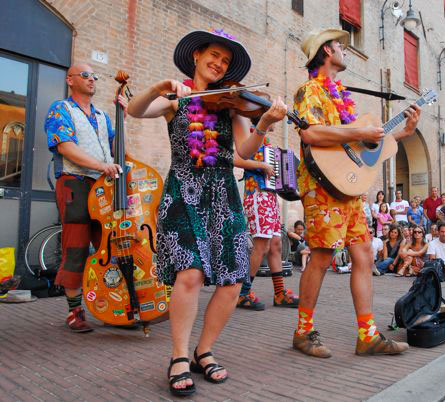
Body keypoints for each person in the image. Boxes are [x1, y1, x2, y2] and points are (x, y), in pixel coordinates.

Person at [126, 29, 288, 395]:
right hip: (184, 191)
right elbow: (135, 110)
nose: (219, 64)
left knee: (232, 282)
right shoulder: (175, 99)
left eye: (226, 61)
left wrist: (264, 124)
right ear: (197, 56)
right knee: (191, 276)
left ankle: (204, 349)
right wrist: (160, 86)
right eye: (214, 55)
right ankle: (179, 355)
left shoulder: (229, 103)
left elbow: (242, 151)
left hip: (223, 195)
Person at [291, 28, 421, 358]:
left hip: (350, 189)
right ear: (324, 52)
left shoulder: (341, 97)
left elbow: (359, 147)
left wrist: (402, 132)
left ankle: (368, 335)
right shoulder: (309, 91)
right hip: (322, 189)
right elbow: (311, 133)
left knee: (364, 256)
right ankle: (303, 332)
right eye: (339, 45)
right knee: (321, 257)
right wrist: (358, 130)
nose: (344, 50)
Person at [45, 63, 125, 333]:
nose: (92, 79)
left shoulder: (103, 115)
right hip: (75, 183)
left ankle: (118, 306)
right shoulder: (61, 109)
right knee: (77, 247)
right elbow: (65, 147)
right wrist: (101, 166)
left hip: (102, 186)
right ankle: (75, 311)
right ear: (70, 80)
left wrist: (123, 116)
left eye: (95, 76)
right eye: (86, 75)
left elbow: (115, 148)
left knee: (110, 247)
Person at [234, 138, 299, 311]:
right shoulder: (249, 133)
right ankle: (243, 294)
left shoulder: (267, 142)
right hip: (256, 194)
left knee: (276, 244)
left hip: (270, 196)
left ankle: (279, 294)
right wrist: (264, 166)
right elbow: (236, 158)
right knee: (261, 245)